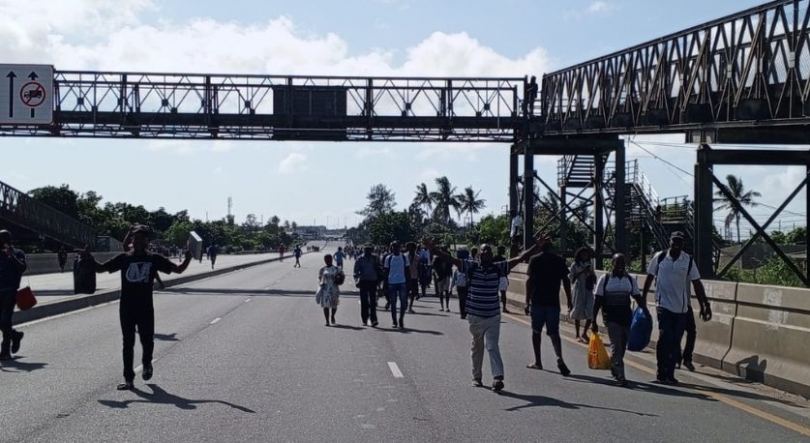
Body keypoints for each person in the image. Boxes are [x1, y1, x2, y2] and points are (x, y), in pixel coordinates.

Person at [425, 234, 546, 391]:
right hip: (475, 316)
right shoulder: (470, 266)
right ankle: (477, 377)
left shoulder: (499, 267)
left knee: (492, 345)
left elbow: (520, 257)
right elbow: (450, 259)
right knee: (477, 347)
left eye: (488, 252)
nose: (486, 254)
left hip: (493, 316)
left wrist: (536, 246)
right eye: (483, 252)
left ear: (492, 255)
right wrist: (434, 250)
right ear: (478, 255)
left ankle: (497, 377)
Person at [84, 225, 192, 390]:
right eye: (135, 238)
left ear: (148, 241)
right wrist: (88, 258)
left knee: (147, 340)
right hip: (126, 307)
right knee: (128, 342)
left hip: (145, 307)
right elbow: (101, 269)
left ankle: (147, 363)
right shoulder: (124, 258)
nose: (138, 241)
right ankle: (128, 379)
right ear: (131, 241)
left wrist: (188, 258)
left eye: (142, 238)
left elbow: (178, 270)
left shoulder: (154, 258)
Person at [642, 231, 712, 384]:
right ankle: (661, 370)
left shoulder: (688, 261)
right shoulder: (660, 258)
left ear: (682, 243)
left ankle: (671, 373)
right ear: (670, 242)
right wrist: (643, 298)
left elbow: (697, 284)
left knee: (675, 341)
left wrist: (704, 304)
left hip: (681, 309)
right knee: (664, 336)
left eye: (679, 241)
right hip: (663, 305)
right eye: (674, 240)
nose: (677, 243)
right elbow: (649, 277)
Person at [592, 253, 647, 386]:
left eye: (622, 263)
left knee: (622, 346)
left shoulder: (630, 279)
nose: (620, 265)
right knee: (616, 345)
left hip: (627, 317)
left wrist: (645, 311)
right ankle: (621, 376)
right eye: (618, 262)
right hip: (611, 318)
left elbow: (637, 297)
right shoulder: (605, 279)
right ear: (612, 263)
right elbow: (598, 301)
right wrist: (593, 320)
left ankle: (614, 364)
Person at [525, 238, 573, 376]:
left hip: (538, 301)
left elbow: (530, 281)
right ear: (551, 248)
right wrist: (569, 300)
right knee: (554, 332)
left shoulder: (535, 260)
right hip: (553, 302)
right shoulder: (559, 260)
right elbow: (566, 280)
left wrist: (526, 301)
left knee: (536, 331)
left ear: (541, 248)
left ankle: (538, 361)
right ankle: (559, 357)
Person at [0, 230, 27, 360]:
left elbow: (22, 267)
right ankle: (15, 336)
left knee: (5, 321)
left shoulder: (17, 253)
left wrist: (12, 256)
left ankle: (5, 351)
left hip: (10, 291)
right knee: (1, 322)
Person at [569, 247, 596, 343]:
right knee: (578, 310)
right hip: (579, 289)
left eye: (586, 254)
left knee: (590, 311)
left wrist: (591, 273)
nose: (585, 256)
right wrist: (582, 272)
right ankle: (577, 334)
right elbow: (571, 279)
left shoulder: (590, 264)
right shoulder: (575, 265)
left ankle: (584, 332)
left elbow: (595, 279)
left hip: (588, 290)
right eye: (583, 254)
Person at [384, 241, 410, 329]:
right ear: (391, 248)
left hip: (402, 282)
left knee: (403, 303)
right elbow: (386, 271)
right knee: (393, 303)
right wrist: (385, 284)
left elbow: (407, 270)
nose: (394, 249)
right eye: (393, 247)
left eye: (396, 247)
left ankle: (401, 319)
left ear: (399, 248)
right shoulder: (389, 258)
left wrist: (409, 283)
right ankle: (394, 321)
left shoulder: (404, 257)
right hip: (391, 282)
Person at [353, 244, 380, 327]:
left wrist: (379, 282)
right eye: (366, 250)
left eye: (370, 250)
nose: (368, 251)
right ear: (364, 250)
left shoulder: (375, 258)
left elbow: (379, 269)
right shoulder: (360, 259)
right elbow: (356, 271)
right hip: (363, 281)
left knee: (373, 302)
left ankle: (373, 319)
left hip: (373, 281)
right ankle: (364, 319)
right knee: (364, 301)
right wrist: (357, 280)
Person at [316, 254, 343, 327]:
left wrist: (339, 278)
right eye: (326, 259)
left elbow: (342, 278)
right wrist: (320, 284)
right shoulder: (322, 269)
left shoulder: (337, 269)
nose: (328, 261)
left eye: (329, 259)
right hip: (325, 289)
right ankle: (327, 321)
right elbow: (319, 278)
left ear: (332, 260)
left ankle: (332, 316)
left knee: (334, 305)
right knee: (326, 305)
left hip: (335, 289)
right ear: (324, 260)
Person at [493, 246, 510, 313]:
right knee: (503, 294)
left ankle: (497, 307)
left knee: (495, 294)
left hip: (496, 277)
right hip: (502, 277)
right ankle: (504, 308)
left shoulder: (494, 258)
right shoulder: (503, 259)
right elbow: (506, 271)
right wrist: (506, 278)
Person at [405, 242, 420, 312]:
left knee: (413, 293)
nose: (411, 249)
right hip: (406, 277)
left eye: (412, 248)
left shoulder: (418, 257)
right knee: (406, 292)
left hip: (414, 276)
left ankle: (410, 306)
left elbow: (419, 267)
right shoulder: (404, 256)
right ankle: (406, 304)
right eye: (409, 247)